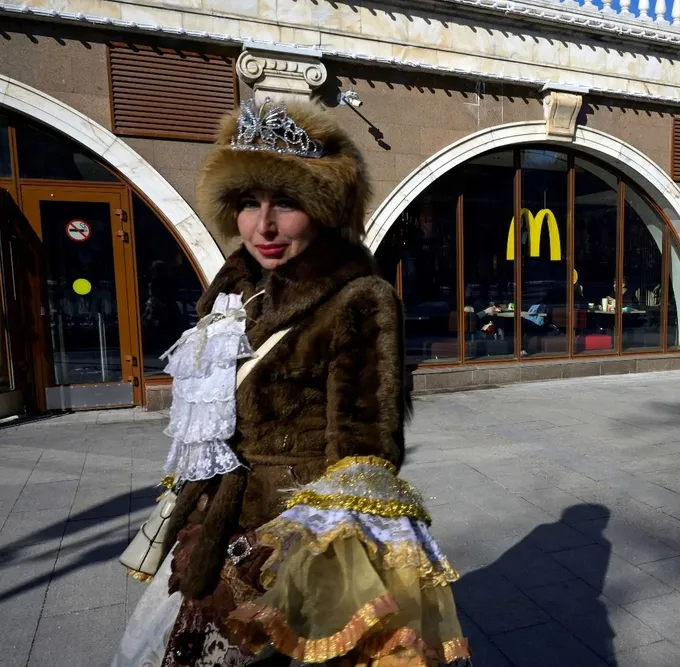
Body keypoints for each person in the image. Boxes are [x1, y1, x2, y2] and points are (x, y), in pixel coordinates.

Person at [112, 99, 469, 666]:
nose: (264, 226)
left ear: (325, 208)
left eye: (288, 203)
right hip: (215, 522)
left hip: (287, 546)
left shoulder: (359, 299)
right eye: (249, 203)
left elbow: (366, 457)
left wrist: (277, 552)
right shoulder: (236, 288)